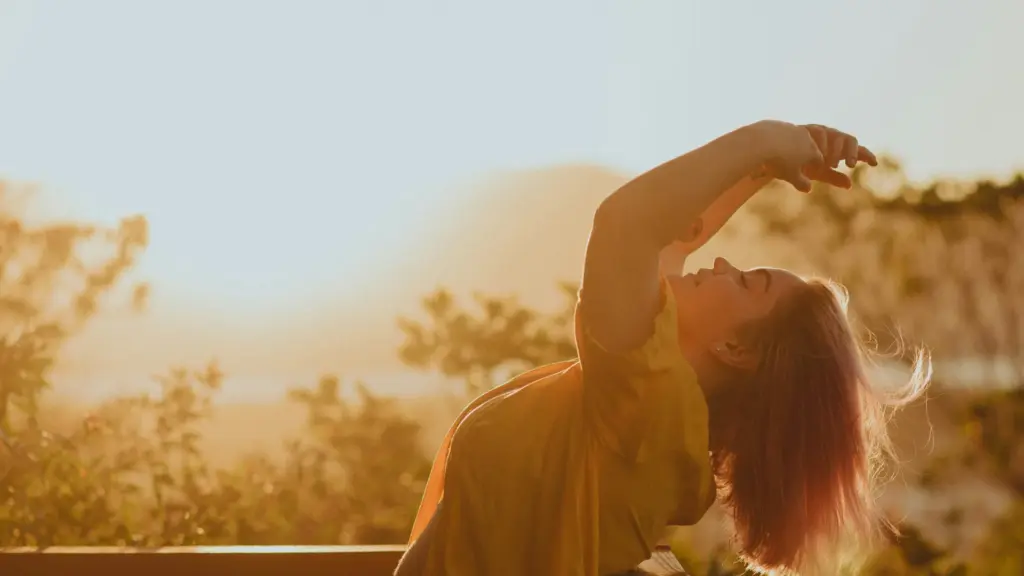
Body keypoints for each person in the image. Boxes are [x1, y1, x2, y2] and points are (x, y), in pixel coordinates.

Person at [394, 120, 930, 575]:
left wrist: (765, 137)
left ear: (735, 348)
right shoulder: (657, 396)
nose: (722, 264)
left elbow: (628, 226)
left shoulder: (648, 406)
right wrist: (769, 162)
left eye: (746, 282)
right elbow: (669, 238)